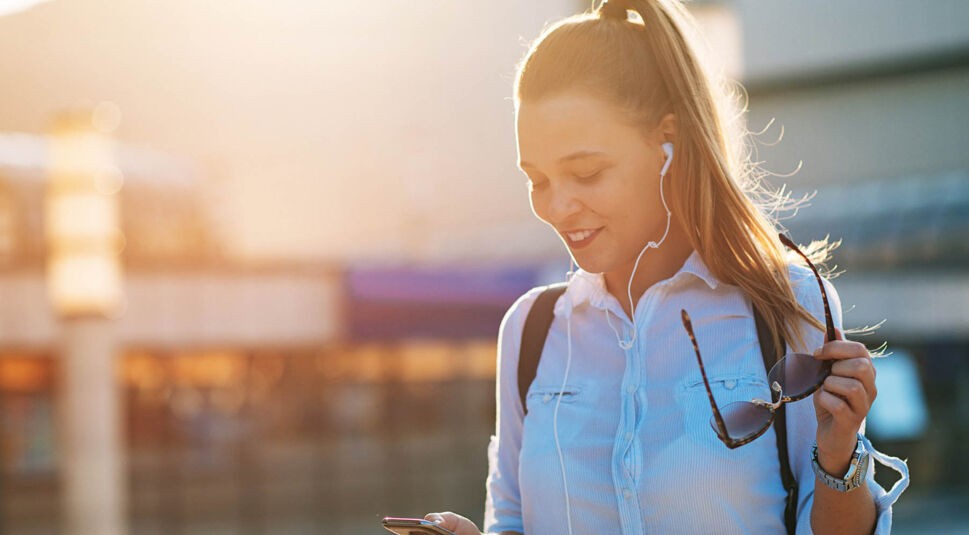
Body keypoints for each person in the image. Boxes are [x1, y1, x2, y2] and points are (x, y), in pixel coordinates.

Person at [425, 0, 909, 533]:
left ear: (667, 142)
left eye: (585, 173)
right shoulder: (530, 332)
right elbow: (512, 520)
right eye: (537, 180)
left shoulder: (786, 305)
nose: (556, 206)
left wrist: (841, 459)